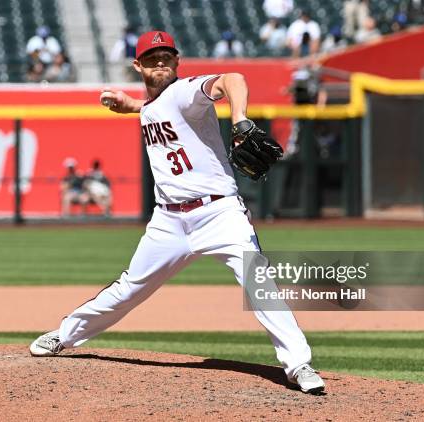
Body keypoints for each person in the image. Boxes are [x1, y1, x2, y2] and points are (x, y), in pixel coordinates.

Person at [30, 30, 325, 394]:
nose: (160, 63)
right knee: (129, 289)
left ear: (177, 61)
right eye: (152, 59)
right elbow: (156, 107)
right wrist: (132, 106)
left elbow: (233, 79)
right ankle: (65, 335)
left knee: (258, 280)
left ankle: (298, 364)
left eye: (166, 57)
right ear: (137, 65)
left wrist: (240, 122)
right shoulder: (153, 106)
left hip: (219, 214)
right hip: (169, 221)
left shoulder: (187, 93)